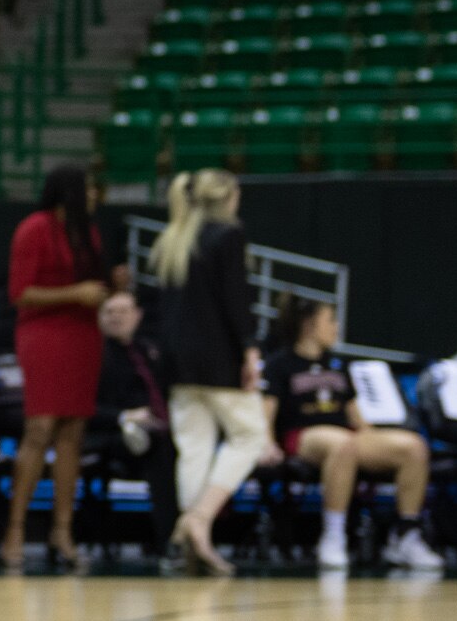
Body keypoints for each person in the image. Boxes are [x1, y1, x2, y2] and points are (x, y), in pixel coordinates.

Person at [4, 163, 119, 575]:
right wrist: (77, 293)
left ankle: (62, 532)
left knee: (73, 432)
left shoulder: (88, 232)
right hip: (44, 334)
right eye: (88, 187)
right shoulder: (33, 228)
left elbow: (93, 286)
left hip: (83, 335)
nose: (93, 195)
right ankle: (15, 529)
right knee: (40, 428)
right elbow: (21, 293)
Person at [148, 167, 263, 578]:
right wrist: (249, 348)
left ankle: (189, 546)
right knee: (252, 436)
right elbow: (235, 300)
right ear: (227, 197)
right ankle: (199, 518)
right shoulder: (227, 235)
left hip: (177, 360)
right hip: (216, 356)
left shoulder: (173, 238)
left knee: (195, 447)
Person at [268, 299, 439, 572]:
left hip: (344, 435)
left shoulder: (338, 364)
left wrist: (373, 439)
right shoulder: (280, 364)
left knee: (413, 446)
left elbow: (354, 412)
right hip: (301, 436)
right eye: (331, 321)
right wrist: (266, 444)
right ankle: (333, 536)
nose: (336, 327)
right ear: (310, 325)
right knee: (342, 444)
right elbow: (268, 411)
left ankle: (406, 535)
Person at [93, 290, 179, 556]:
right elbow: (83, 409)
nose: (116, 317)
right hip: (111, 431)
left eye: (123, 311)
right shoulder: (94, 354)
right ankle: (171, 540)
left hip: (157, 427)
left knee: (188, 445)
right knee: (159, 449)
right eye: (110, 311)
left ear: (138, 316)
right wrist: (124, 416)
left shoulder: (149, 350)